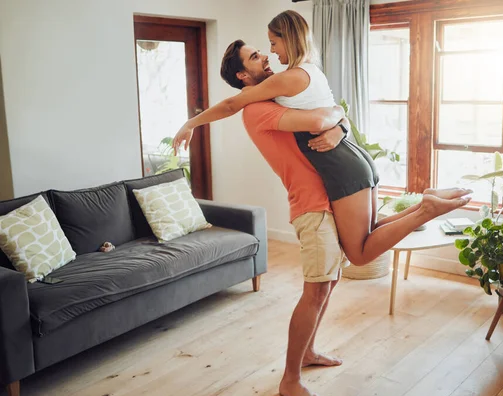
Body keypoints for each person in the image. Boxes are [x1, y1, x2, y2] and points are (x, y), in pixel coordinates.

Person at [172, 11, 472, 269]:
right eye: (260, 52)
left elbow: (232, 105)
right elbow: (333, 109)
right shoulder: (310, 70)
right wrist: (340, 121)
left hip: (339, 165)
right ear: (241, 73)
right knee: (370, 232)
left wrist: (191, 122)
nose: (270, 52)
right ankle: (425, 202)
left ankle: (427, 209)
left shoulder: (286, 78)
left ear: (288, 39)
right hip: (353, 156)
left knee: (359, 254)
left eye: (273, 43)